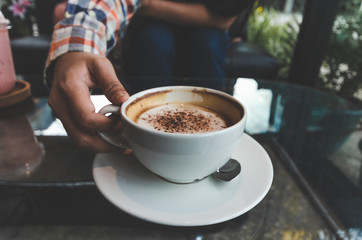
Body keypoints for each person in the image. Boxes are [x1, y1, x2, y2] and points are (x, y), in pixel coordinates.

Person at [44, 0, 253, 152]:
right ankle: (144, 146)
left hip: (210, 30)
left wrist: (146, 4)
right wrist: (76, 49)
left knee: (208, 43)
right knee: (154, 41)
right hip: (148, 29)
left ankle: (218, 147)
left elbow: (223, 18)